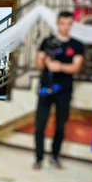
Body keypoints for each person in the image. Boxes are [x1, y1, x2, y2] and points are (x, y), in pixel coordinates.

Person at [33, 11, 85, 170]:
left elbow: (76, 67)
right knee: (40, 124)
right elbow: (38, 66)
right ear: (57, 23)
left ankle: (54, 156)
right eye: (63, 23)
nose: (66, 27)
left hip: (64, 90)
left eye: (69, 24)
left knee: (60, 125)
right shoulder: (47, 41)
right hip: (45, 88)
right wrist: (43, 60)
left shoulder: (77, 44)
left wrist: (60, 66)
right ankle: (39, 158)